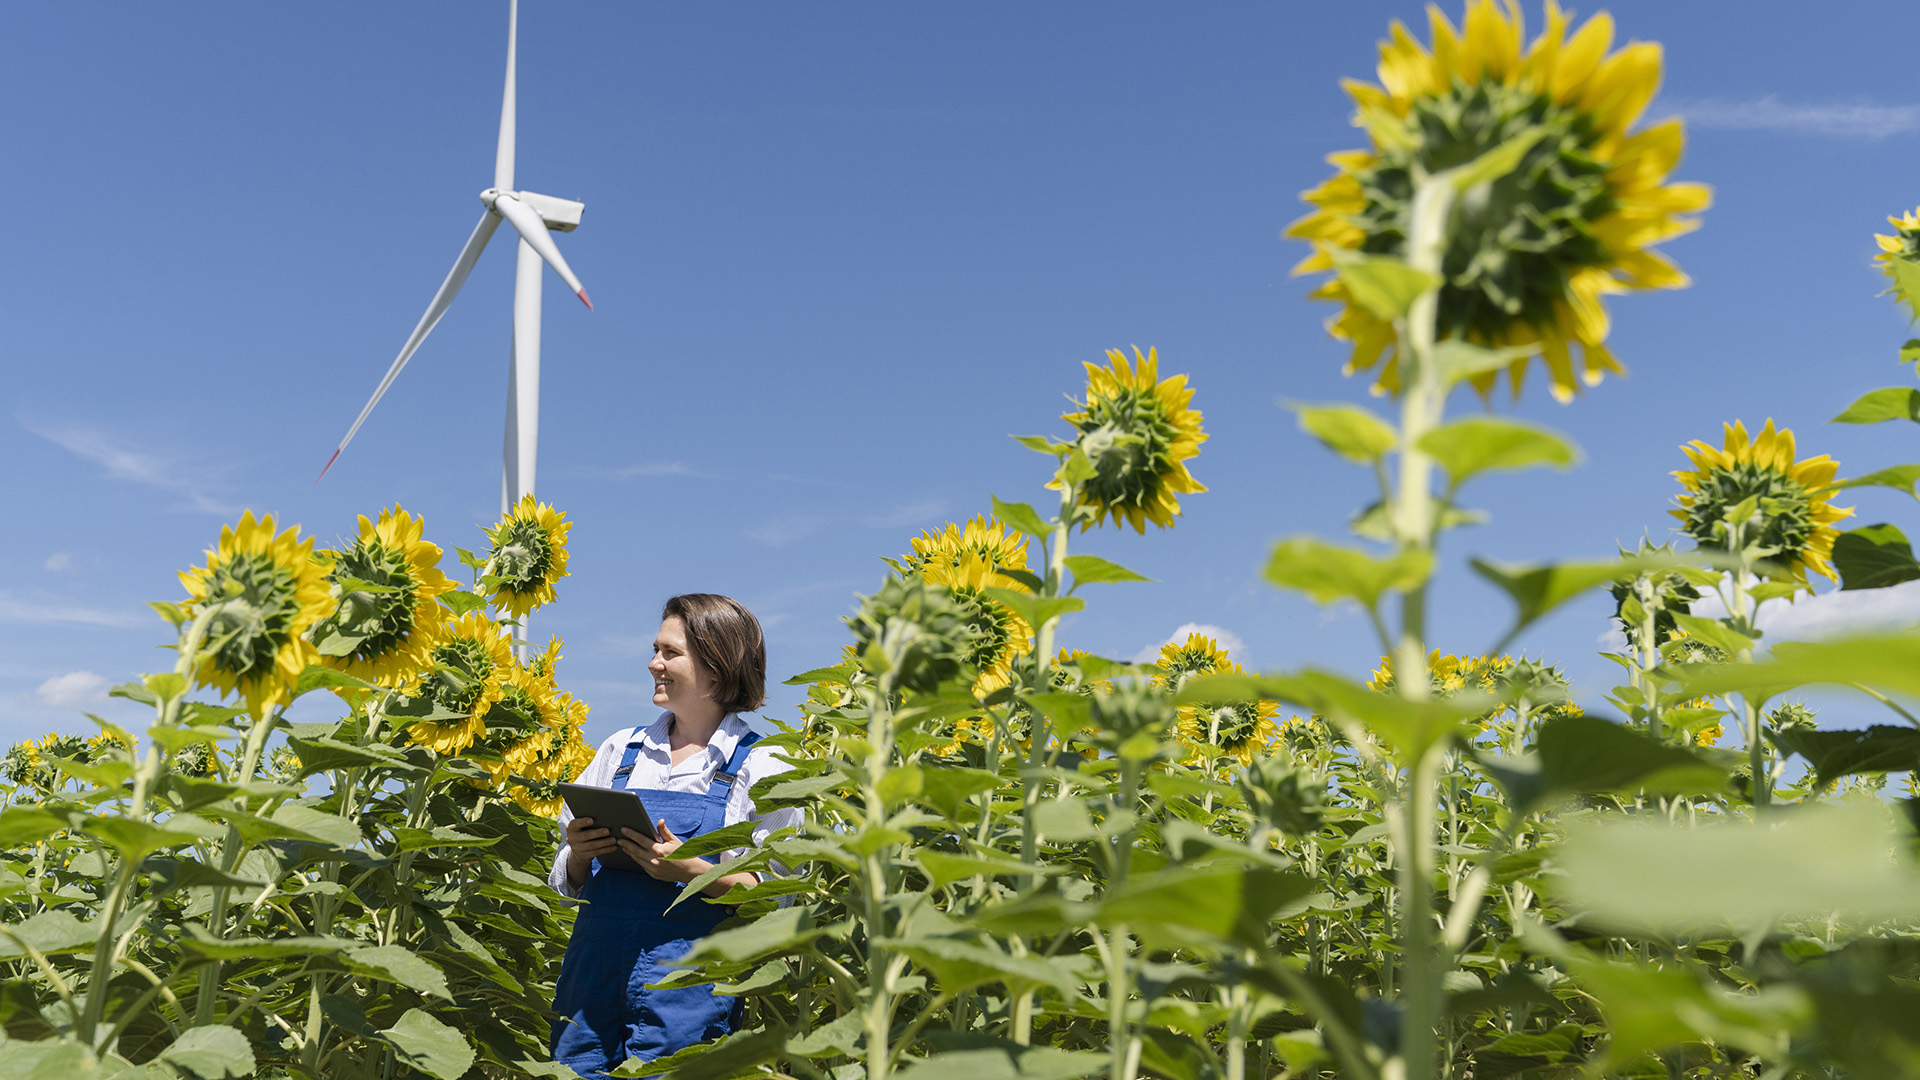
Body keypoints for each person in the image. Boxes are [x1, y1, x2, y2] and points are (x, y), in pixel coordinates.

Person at [548, 593, 799, 1077]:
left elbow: (777, 900)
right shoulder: (621, 750)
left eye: (670, 653)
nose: (653, 663)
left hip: (689, 991)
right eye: (655, 649)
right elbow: (564, 878)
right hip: (590, 981)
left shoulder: (764, 767)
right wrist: (579, 855)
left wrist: (696, 872)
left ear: (717, 667)